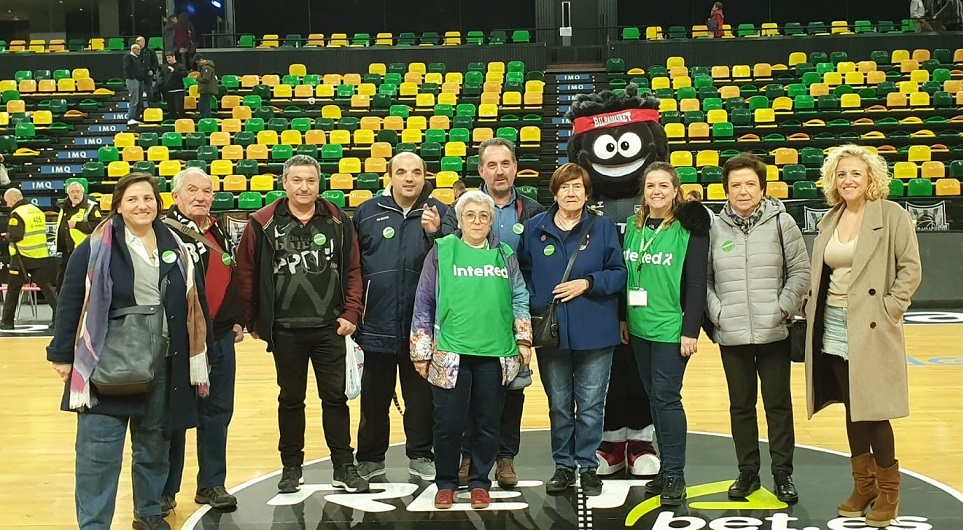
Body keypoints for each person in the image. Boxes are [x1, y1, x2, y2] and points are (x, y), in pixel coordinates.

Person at [46, 172, 211, 530]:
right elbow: (71, 300)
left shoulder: (177, 245)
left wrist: (204, 350)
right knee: (98, 452)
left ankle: (149, 511)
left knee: (155, 443)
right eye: (132, 199)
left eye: (148, 198)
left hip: (165, 362)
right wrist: (62, 355)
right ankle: (94, 523)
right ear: (118, 205)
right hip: (107, 363)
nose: (141, 205)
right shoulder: (94, 247)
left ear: (158, 204)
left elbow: (195, 302)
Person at [234, 155, 369, 494]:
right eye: (297, 180)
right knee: (291, 399)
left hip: (330, 327)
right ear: (284, 183)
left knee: (335, 399)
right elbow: (246, 273)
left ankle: (343, 465)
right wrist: (253, 319)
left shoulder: (338, 219)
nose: (304, 187)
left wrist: (351, 312)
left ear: (319, 183)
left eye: (310, 180)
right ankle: (291, 467)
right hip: (285, 329)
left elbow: (354, 269)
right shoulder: (262, 222)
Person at [805, 144, 922, 528]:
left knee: (874, 410)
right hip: (833, 323)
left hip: (871, 325)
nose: (848, 180)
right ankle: (864, 485)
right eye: (841, 174)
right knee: (853, 408)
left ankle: (890, 492)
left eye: (855, 173)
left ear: (870, 177)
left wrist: (890, 308)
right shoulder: (831, 218)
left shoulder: (892, 215)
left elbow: (910, 268)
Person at [411, 190, 532, 510]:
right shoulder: (442, 250)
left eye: (483, 216)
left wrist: (523, 339)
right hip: (450, 354)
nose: (477, 221)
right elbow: (424, 301)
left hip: (496, 353)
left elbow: (520, 296)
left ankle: (480, 482)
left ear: (491, 221)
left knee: (488, 423)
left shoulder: (505, 253)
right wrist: (421, 351)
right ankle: (446, 483)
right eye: (470, 215)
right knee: (448, 424)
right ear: (459, 220)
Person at [439, 137, 544, 488]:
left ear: (516, 168)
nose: (499, 171)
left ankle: (505, 458)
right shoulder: (459, 208)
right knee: (470, 392)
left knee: (513, 390)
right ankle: (469, 456)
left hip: (512, 316)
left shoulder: (533, 211)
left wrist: (523, 325)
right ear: (481, 170)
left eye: (505, 164)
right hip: (469, 321)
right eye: (492, 165)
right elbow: (447, 259)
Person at [705, 154, 810, 504]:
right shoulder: (713, 228)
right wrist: (717, 312)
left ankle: (783, 474)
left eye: (750, 183)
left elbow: (801, 271)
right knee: (741, 406)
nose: (743, 190)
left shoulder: (783, 222)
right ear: (726, 190)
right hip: (731, 333)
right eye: (736, 185)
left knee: (778, 406)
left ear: (762, 188)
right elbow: (703, 279)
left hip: (774, 331)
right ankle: (748, 472)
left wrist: (782, 308)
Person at [517, 163, 626, 496]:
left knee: (591, 405)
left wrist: (588, 283)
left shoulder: (603, 227)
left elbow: (619, 273)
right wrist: (536, 302)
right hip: (552, 333)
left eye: (577, 186)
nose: (571, 192)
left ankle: (588, 466)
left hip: (596, 330)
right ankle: (563, 466)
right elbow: (522, 274)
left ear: (587, 193)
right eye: (564, 187)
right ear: (554, 192)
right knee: (560, 406)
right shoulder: (534, 228)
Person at [353, 152, 449, 481]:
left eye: (416, 172)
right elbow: (353, 267)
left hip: (421, 327)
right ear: (390, 177)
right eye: (402, 172)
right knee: (373, 399)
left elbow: (453, 261)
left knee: (421, 399)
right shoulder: (367, 212)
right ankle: (370, 457)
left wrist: (437, 234)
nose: (409, 178)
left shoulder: (441, 212)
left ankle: (421, 453)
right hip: (375, 323)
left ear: (425, 177)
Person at [622, 162, 709, 506]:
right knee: (653, 396)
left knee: (667, 398)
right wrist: (623, 318)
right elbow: (628, 274)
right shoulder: (634, 226)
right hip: (638, 327)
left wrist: (691, 330)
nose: (656, 191)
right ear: (643, 191)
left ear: (675, 190)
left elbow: (698, 282)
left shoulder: (688, 229)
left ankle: (675, 474)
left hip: (671, 328)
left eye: (663, 185)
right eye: (650, 186)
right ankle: (666, 468)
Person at [162, 168, 244, 512]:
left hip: (220, 336)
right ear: (176, 196)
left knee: (218, 413)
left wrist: (236, 317)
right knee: (176, 415)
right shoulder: (164, 232)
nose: (201, 197)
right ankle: (165, 491)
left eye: (207, 191)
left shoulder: (218, 229)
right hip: (182, 340)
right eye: (192, 190)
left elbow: (231, 275)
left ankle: (212, 484)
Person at [2, 188, 58, 330]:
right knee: (47, 289)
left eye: (7, 201)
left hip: (22, 257)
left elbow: (16, 235)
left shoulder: (17, 213)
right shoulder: (37, 211)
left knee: (13, 290)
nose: (7, 205)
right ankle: (60, 318)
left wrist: (6, 235)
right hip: (40, 256)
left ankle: (7, 322)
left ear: (13, 199)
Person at [55, 181, 102, 288]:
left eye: (78, 191)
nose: (75, 194)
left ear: (82, 193)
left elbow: (98, 227)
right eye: (72, 192)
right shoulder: (64, 207)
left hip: (83, 251)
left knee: (80, 282)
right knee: (61, 281)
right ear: (68, 194)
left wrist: (78, 225)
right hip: (66, 251)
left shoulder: (91, 207)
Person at [123, 43, 147, 124]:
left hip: (139, 80)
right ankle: (130, 117)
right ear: (134, 49)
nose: (140, 51)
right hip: (132, 80)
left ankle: (136, 117)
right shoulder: (128, 57)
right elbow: (127, 68)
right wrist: (133, 77)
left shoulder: (137, 58)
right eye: (138, 50)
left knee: (139, 100)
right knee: (134, 99)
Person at [159, 52, 187, 120]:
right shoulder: (164, 67)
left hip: (178, 90)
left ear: (174, 57)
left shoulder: (180, 66)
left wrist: (174, 72)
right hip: (168, 91)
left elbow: (185, 74)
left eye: (169, 57)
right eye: (167, 58)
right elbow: (161, 77)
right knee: (171, 109)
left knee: (180, 108)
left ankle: (181, 122)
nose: (168, 59)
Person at [136, 36, 159, 104]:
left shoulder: (150, 51)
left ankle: (151, 104)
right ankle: (140, 107)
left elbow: (155, 62)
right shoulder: (135, 52)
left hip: (148, 74)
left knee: (149, 90)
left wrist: (152, 70)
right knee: (138, 92)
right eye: (136, 41)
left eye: (138, 41)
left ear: (143, 42)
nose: (137, 43)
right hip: (138, 75)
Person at [195, 55, 216, 119]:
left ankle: (207, 119)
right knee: (203, 106)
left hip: (206, 90)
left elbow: (206, 79)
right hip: (205, 90)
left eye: (198, 62)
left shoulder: (207, 68)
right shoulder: (207, 67)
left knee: (205, 107)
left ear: (201, 59)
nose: (198, 64)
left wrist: (197, 78)